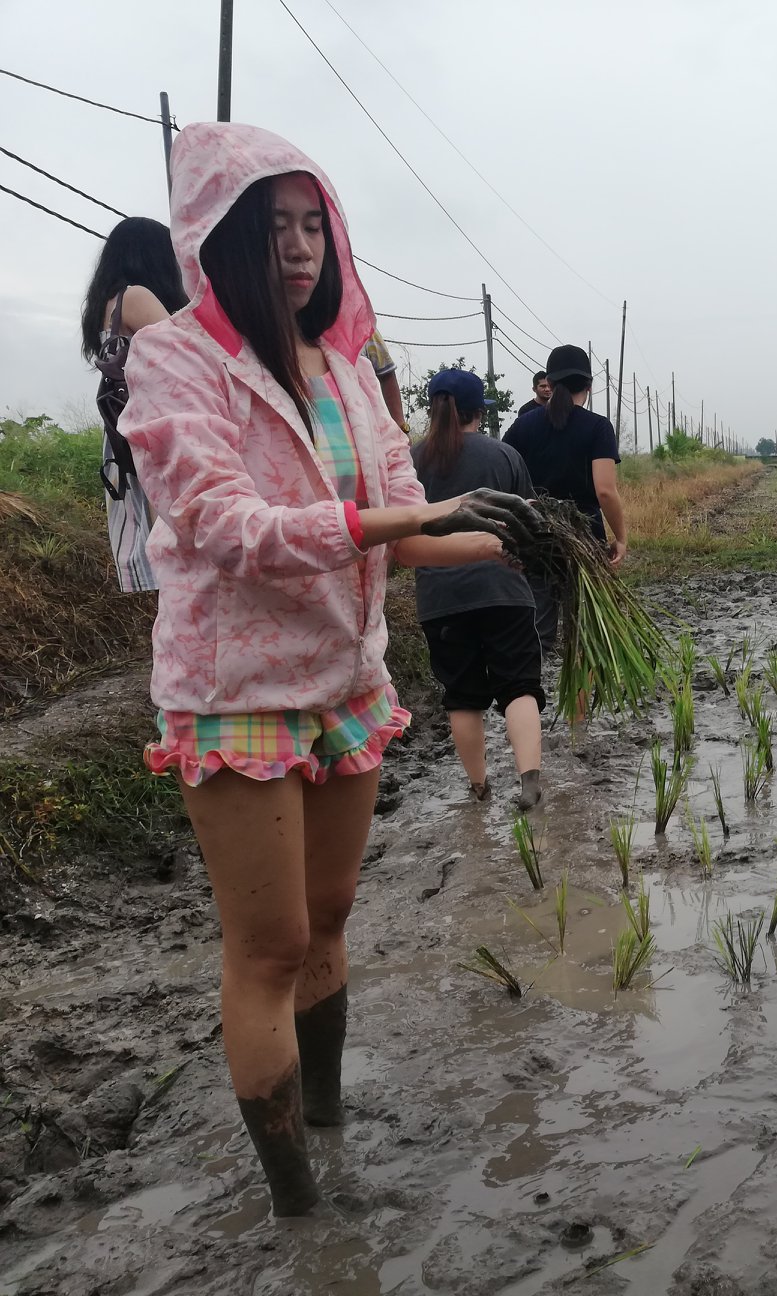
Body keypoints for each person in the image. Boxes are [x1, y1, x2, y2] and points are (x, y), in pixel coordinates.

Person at [120, 122, 543, 1217]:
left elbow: (410, 535)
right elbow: (226, 526)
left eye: (314, 225)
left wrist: (514, 535)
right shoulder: (177, 361)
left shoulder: (349, 373)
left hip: (348, 681)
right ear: (218, 238)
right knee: (269, 945)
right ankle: (298, 1200)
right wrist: (400, 511)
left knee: (333, 914)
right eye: (274, 228)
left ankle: (328, 1116)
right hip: (237, 691)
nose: (301, 249)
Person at [413, 367, 546, 810]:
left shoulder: (411, 461)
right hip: (503, 590)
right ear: (477, 412)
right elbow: (530, 525)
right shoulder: (504, 455)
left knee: (462, 697)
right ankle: (530, 783)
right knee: (519, 687)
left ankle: (479, 789)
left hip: (440, 599)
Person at [79, 216, 190, 592]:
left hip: (128, 437)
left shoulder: (107, 304)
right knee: (183, 562)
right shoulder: (137, 297)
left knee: (168, 565)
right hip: (161, 434)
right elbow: (193, 355)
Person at [503, 345, 628, 645]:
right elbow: (605, 491)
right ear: (588, 385)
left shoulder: (523, 425)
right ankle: (579, 693)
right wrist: (621, 537)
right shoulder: (598, 427)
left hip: (535, 538)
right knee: (588, 633)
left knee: (538, 634)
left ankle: (533, 690)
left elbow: (505, 479)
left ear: (551, 383)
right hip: (585, 539)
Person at [361, 330, 410, 432]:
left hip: (365, 428)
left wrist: (401, 428)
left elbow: (387, 376)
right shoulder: (318, 334)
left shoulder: (364, 329)